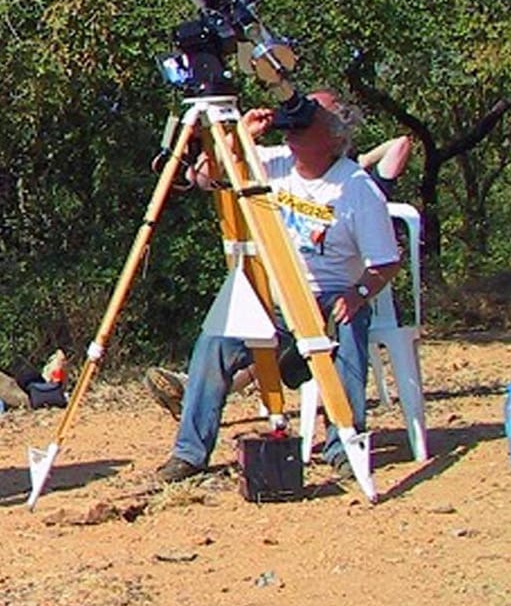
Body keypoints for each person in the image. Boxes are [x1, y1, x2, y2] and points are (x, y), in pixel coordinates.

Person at [154, 92, 400, 484]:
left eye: (311, 114)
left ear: (335, 136)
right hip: (271, 294)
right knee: (214, 341)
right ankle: (189, 453)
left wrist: (360, 294)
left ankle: (344, 446)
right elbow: (199, 177)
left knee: (351, 326)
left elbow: (386, 261)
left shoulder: (356, 187)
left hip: (328, 296)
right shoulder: (270, 162)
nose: (297, 119)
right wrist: (239, 141)